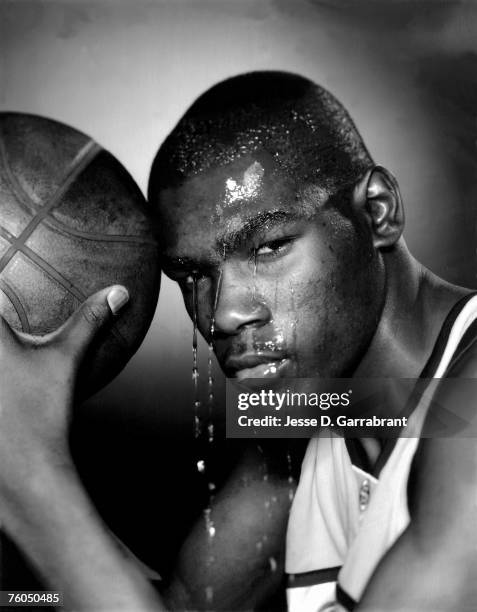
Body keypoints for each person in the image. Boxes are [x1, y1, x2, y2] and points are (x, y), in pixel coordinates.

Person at [0, 70, 476, 611]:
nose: (223, 313)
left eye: (268, 247)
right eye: (193, 276)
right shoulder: (331, 408)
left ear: (378, 211)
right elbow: (178, 605)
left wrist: (31, 476)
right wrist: (16, 596)